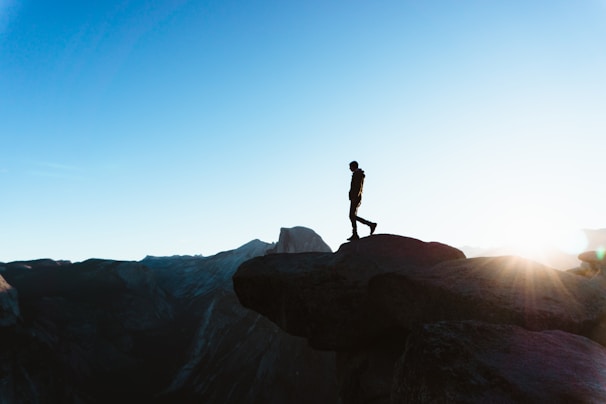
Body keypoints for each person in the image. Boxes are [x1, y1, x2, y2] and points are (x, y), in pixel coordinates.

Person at [348, 161, 377, 241]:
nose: (349, 169)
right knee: (352, 215)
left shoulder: (358, 175)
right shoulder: (357, 174)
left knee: (352, 215)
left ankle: (369, 225)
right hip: (355, 197)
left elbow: (358, 187)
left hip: (355, 197)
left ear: (353, 167)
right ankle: (356, 233)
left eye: (350, 167)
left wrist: (354, 196)